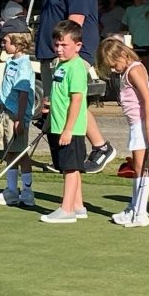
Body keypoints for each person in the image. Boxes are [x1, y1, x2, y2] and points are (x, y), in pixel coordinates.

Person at [34, 0, 116, 173]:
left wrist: (67, 55)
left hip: (68, 55)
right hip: (55, 54)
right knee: (59, 104)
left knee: (70, 100)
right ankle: (64, 155)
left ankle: (100, 146)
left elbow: (76, 20)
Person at [97, 36, 149, 228]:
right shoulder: (128, 70)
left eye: (114, 64)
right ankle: (134, 207)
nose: (113, 69)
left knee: (141, 168)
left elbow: (148, 99)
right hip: (136, 123)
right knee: (137, 167)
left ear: (123, 55)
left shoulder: (134, 70)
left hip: (143, 123)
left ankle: (140, 214)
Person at [40, 20, 89, 224]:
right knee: (68, 166)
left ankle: (66, 209)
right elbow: (61, 93)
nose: (59, 49)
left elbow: (77, 99)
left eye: (64, 45)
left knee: (70, 167)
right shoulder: (60, 65)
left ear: (77, 45)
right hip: (57, 124)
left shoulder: (76, 67)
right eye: (57, 45)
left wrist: (68, 129)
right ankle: (77, 205)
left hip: (72, 128)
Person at [0, 20, 36, 208]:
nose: (2, 44)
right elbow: (6, 91)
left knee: (20, 154)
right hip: (6, 113)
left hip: (17, 116)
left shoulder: (24, 65)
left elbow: (24, 95)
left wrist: (19, 119)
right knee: (9, 153)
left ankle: (27, 192)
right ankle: (11, 190)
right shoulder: (11, 62)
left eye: (5, 41)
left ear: (17, 43)